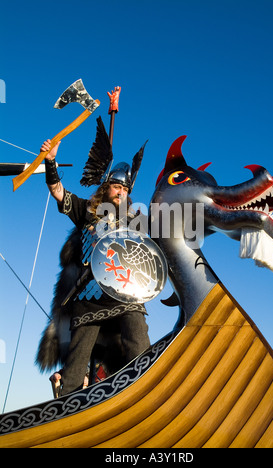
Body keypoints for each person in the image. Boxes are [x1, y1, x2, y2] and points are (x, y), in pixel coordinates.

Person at [42, 110, 150, 396]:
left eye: (125, 189)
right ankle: (68, 404)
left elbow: (159, 245)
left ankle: (146, 390)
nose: (121, 192)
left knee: (139, 344)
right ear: (106, 188)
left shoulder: (136, 221)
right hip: (89, 296)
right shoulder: (87, 212)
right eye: (116, 186)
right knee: (76, 369)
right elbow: (58, 193)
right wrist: (51, 162)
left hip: (126, 293)